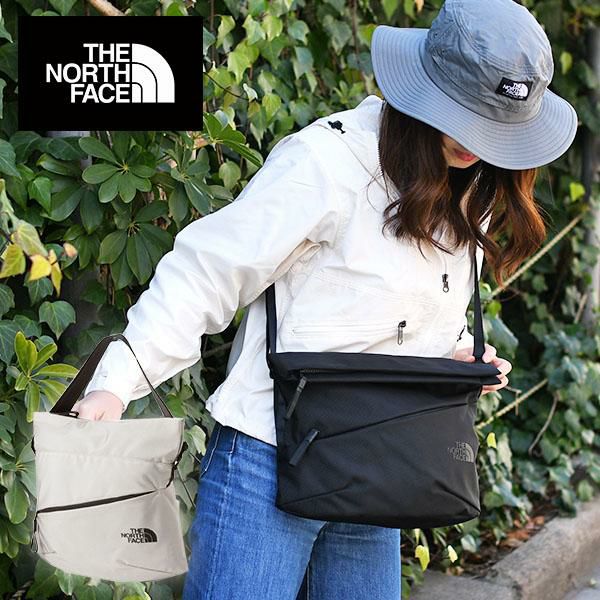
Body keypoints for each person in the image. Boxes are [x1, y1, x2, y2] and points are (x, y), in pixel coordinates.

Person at [73, 0, 578, 598]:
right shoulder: (327, 162)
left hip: (382, 460)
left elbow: (400, 309)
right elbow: (208, 271)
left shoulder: (470, 187)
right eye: (463, 116)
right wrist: (116, 382)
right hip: (271, 456)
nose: (474, 140)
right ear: (424, 88)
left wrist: (455, 357)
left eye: (491, 127)